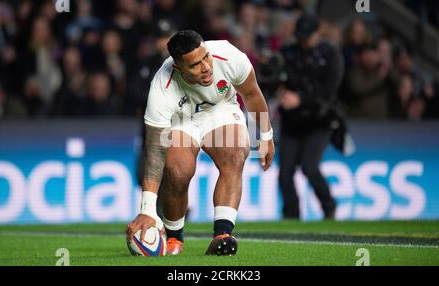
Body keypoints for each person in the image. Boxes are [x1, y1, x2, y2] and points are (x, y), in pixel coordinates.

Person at [125, 30, 275, 256]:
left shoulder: (228, 55)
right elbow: (155, 150)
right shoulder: (161, 89)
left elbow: (253, 94)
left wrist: (266, 135)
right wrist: (147, 209)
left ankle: (222, 235)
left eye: (206, 57)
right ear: (178, 68)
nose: (206, 66)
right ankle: (175, 238)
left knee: (235, 153)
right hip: (181, 120)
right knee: (177, 171)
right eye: (195, 65)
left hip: (220, 109)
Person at [278, 14, 343, 219]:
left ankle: (328, 206)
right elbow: (274, 79)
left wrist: (301, 99)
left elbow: (329, 90)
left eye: (307, 36)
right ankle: (291, 216)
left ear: (317, 34)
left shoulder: (331, 54)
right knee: (285, 173)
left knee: (309, 166)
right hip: (291, 122)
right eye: (301, 36)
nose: (303, 41)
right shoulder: (287, 53)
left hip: (319, 121)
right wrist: (280, 92)